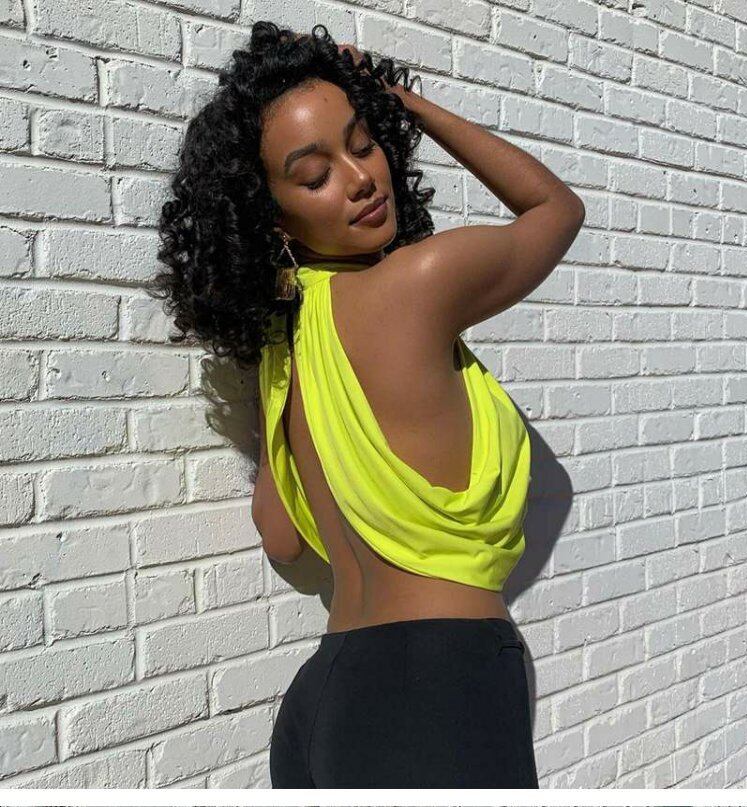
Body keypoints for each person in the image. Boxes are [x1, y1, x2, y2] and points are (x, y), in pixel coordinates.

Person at [151, 21, 585, 788]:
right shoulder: (418, 283)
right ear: (273, 217)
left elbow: (282, 534)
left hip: (321, 703)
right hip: (440, 693)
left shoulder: (287, 352)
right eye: (315, 174)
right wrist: (404, 103)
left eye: (363, 141)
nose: (359, 177)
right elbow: (555, 208)